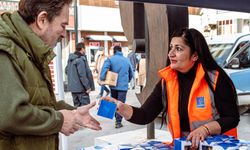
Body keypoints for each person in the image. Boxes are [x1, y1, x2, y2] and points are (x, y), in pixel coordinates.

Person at [104, 28, 239, 147]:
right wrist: (121, 107)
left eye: (178, 49)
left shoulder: (215, 78)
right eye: (171, 47)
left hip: (216, 146)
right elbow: (145, 115)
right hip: (184, 146)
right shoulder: (166, 81)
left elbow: (232, 118)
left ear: (195, 55)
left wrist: (205, 129)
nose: (171, 53)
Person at [0, 0, 101, 149]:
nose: (64, 34)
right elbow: (10, 115)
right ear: (42, 20)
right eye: (63, 25)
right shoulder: (6, 50)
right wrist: (60, 120)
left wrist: (73, 113)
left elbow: (39, 103)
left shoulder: (30, 50)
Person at [100, 45, 133, 128]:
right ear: (121, 51)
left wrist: (102, 79)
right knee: (121, 104)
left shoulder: (110, 59)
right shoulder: (127, 60)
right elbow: (131, 72)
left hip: (113, 85)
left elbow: (104, 69)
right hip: (123, 86)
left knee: (114, 102)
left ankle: (115, 118)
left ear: (114, 51)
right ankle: (118, 122)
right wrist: (127, 80)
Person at [66, 42, 95, 107]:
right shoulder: (80, 59)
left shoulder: (71, 59)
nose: (85, 50)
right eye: (84, 49)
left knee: (77, 109)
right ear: (82, 49)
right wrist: (87, 87)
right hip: (81, 89)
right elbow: (82, 75)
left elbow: (66, 70)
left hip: (73, 89)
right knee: (84, 109)